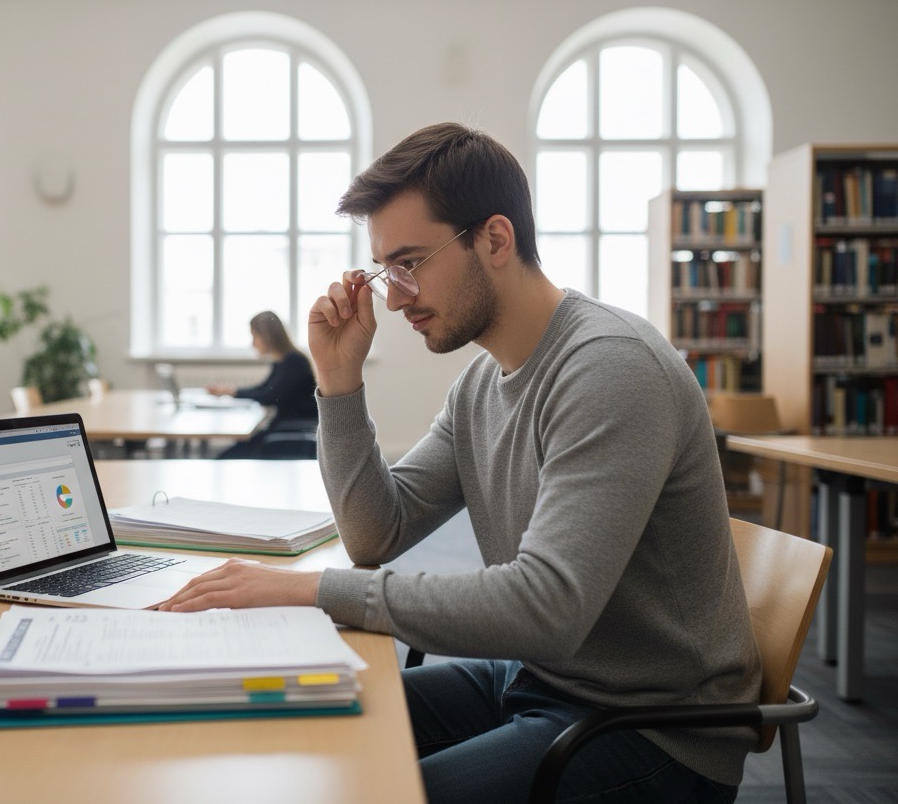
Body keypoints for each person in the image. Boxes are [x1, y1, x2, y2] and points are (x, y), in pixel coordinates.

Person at [159, 122, 761, 802]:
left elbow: (547, 608)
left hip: (648, 727)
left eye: (410, 264)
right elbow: (376, 534)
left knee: (375, 791)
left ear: (495, 240)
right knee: (295, 725)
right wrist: (338, 383)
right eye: (385, 271)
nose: (394, 298)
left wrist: (311, 589)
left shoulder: (610, 368)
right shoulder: (481, 385)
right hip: (540, 677)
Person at [207, 311, 318, 459]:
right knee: (229, 454)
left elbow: (269, 395)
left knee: (224, 458)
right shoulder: (283, 361)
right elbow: (263, 389)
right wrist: (231, 391)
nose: (252, 343)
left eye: (254, 336)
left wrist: (233, 392)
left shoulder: (294, 361)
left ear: (267, 336)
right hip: (280, 429)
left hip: (288, 432)